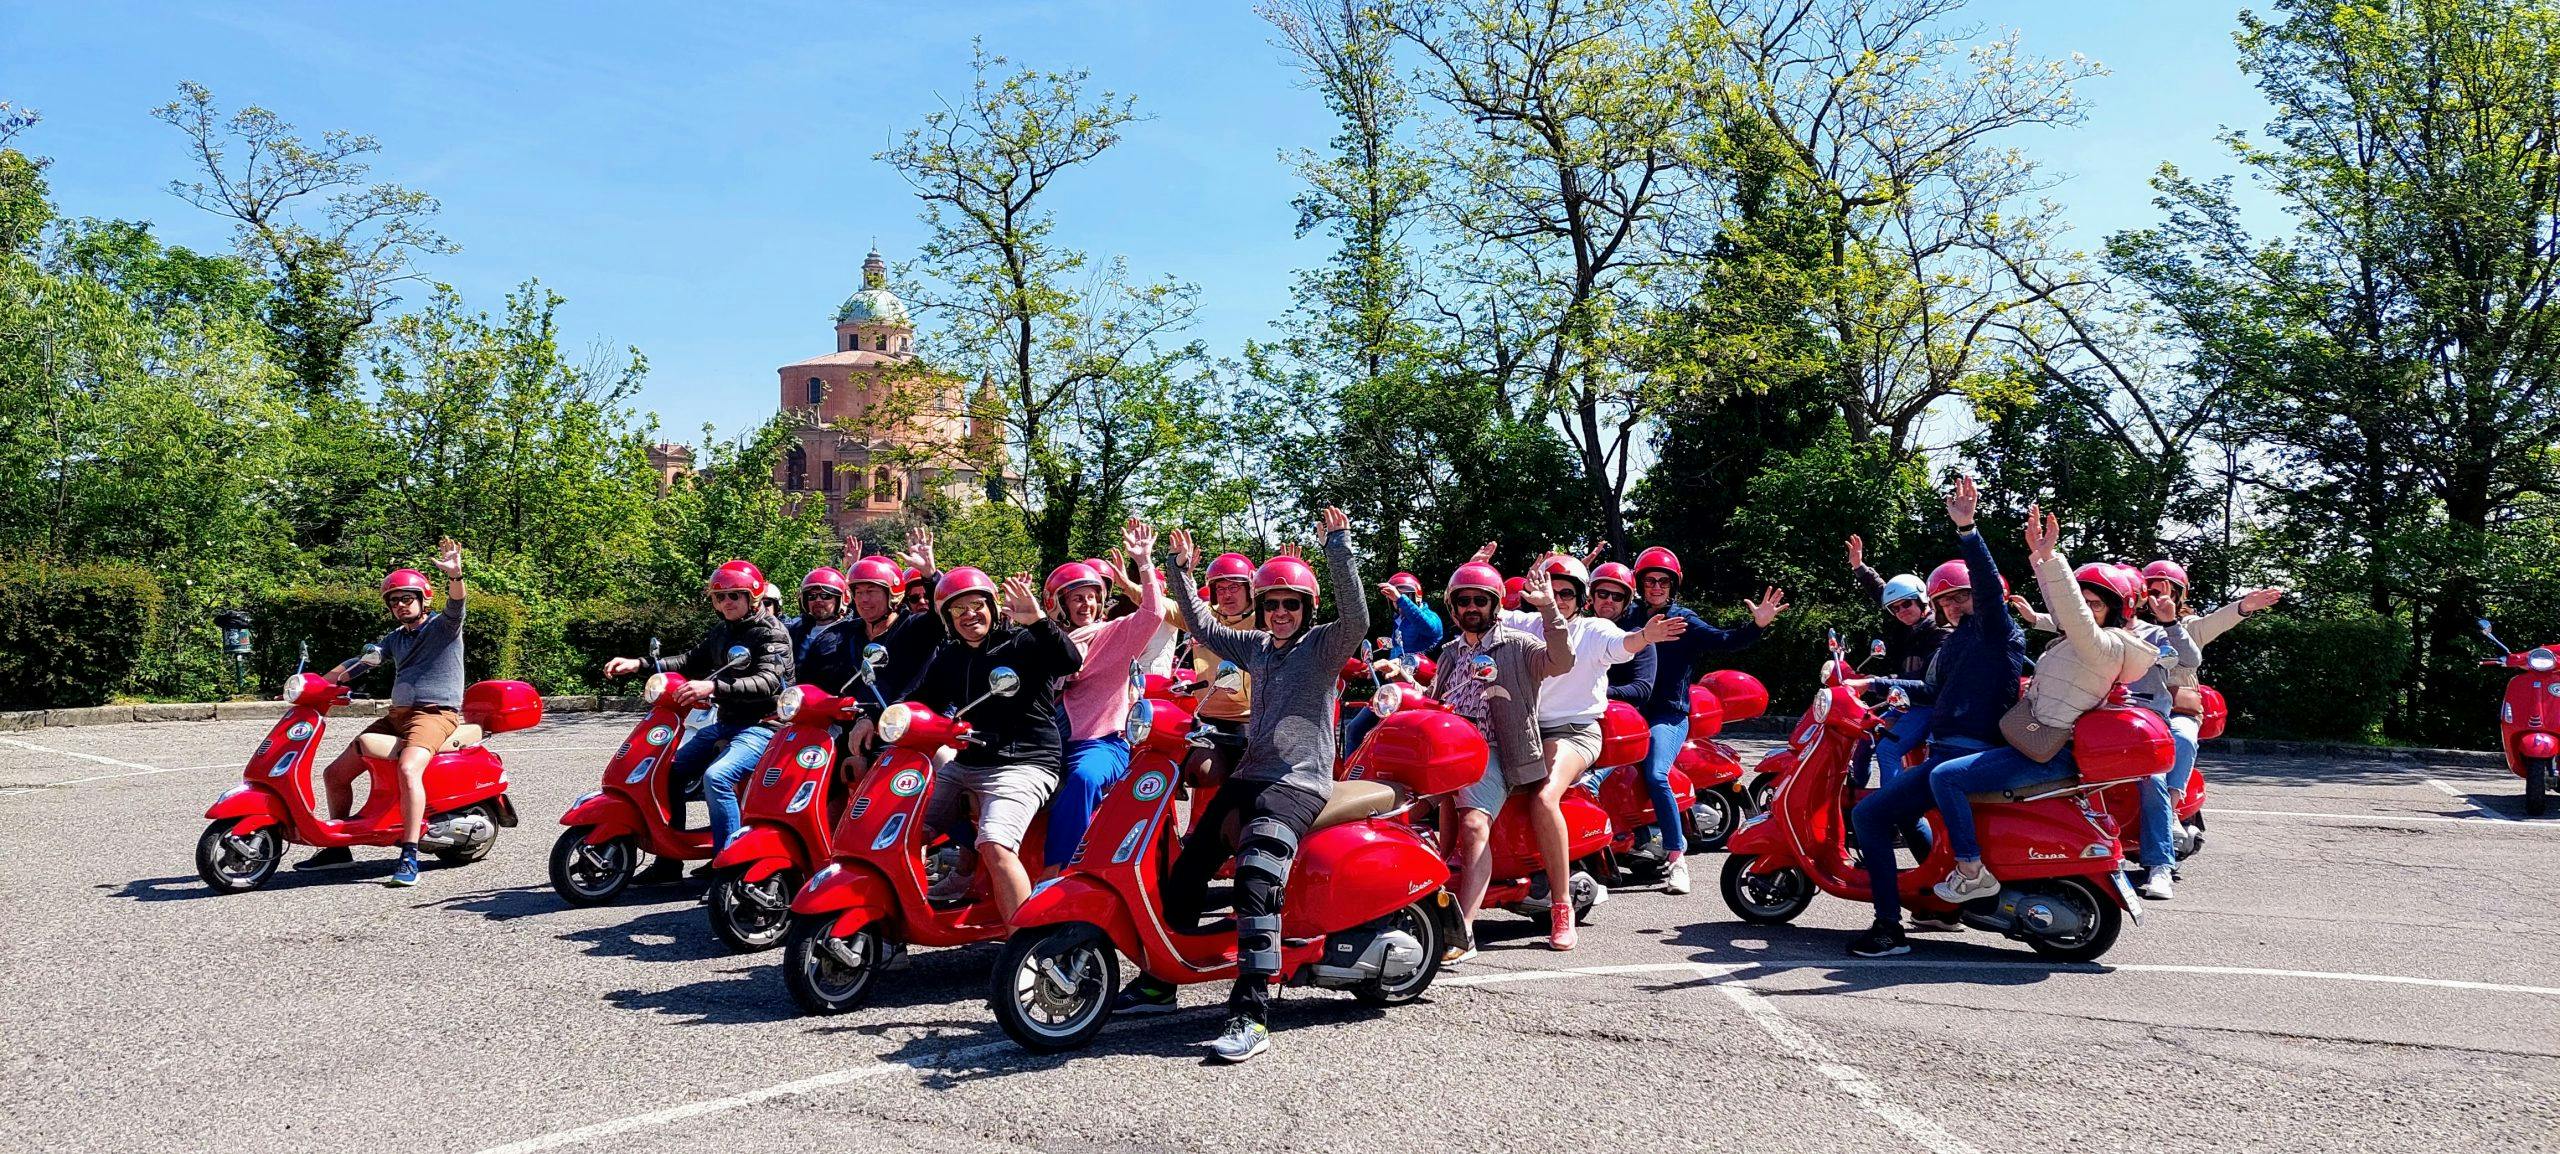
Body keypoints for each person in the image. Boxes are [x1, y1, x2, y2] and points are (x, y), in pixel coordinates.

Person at [1117, 510, 1367, 1064]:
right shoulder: (1256, 647)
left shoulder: (1325, 646)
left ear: (1307, 609)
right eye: (1273, 603)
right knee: (1186, 870)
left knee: (1255, 878)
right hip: (1251, 775)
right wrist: (1181, 570)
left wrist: (1338, 547)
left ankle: (1251, 1014)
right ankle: (1159, 984)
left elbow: (1357, 617)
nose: (1280, 613)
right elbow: (1203, 627)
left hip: (1299, 783)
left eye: (1291, 604)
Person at [1472, 546, 1689, 948]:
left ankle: (1561, 905)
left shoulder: (1595, 630)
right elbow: (1479, 607)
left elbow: (1624, 643)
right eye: (1551, 591)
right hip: (1523, 730)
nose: (1558, 600)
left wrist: (1646, 637)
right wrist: (1477, 569)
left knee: (1544, 796)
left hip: (1574, 732)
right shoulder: (1523, 622)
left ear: (1581, 599)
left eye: (1567, 594)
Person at [1847, 476, 2029, 952]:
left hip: (1973, 752)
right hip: (1942, 752)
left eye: (1960, 597)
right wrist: (1871, 683)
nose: (1953, 605)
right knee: (1870, 816)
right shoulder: (1953, 645)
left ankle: (1961, 879)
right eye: (1946, 599)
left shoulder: (1996, 633)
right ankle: (1901, 920)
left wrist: (1968, 530)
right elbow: (1927, 691)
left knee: (1886, 804)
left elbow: (1989, 591)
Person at [600, 559, 794, 882]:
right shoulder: (724, 631)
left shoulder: (771, 633)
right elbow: (690, 660)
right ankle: (669, 860)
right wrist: (639, 664)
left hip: (764, 726)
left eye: (734, 595)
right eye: (720, 597)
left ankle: (731, 867)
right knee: (670, 771)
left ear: (753, 596)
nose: (726, 602)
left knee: (717, 778)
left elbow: (769, 682)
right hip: (729, 722)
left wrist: (714, 686)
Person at [2012, 565, 2201, 898]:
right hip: (2094, 718)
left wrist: (2170, 622)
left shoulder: (2150, 635)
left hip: (2139, 720)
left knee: (2151, 777)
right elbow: (2060, 613)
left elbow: (2189, 659)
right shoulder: (2087, 635)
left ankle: (2160, 866)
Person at [1605, 546, 1783, 896]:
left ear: (1673, 586)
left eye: (1664, 581)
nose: (1656, 586)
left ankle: (1676, 859)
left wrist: (1757, 625)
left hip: (1666, 714)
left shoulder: (1684, 621)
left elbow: (1724, 640)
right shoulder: (1627, 617)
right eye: (1650, 580)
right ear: (1639, 584)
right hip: (1625, 712)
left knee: (1656, 774)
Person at [913, 567, 1084, 920]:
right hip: (968, 762)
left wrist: (1037, 620)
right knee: (903, 829)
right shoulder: (950, 657)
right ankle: (895, 929)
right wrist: (875, 718)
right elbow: (923, 700)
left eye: (976, 605)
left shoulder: (1022, 643)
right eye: (958, 610)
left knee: (995, 844)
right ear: (947, 617)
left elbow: (1069, 660)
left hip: (1026, 762)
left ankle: (1025, 945)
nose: (969, 615)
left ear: (992, 606)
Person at [300, 537, 470, 887]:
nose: (401, 605)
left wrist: (455, 575)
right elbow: (360, 664)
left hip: (435, 715)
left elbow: (457, 606)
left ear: (424, 600)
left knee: (408, 769)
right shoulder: (397, 638)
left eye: (407, 598)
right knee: (335, 774)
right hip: (398, 716)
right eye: (394, 601)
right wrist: (310, 686)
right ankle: (339, 848)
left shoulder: (443, 628)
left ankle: (409, 854)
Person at [1431, 561, 1572, 962]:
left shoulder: (1518, 646)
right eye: (1464, 601)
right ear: (1453, 608)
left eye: (1480, 600)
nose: (1471, 607)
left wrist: (1549, 610)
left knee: (1474, 825)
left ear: (1495, 605)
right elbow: (1433, 699)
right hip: (1445, 753)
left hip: (1493, 750)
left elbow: (1561, 661)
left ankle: (1464, 933)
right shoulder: (1449, 654)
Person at [2139, 561, 2284, 890]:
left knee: (2182, 740)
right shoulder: (2129, 624)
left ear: (2179, 594)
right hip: (2138, 709)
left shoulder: (2187, 626)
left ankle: (2171, 813)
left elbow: (2216, 623)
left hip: (2176, 708)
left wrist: (2244, 606)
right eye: (2152, 587)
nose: (2158, 593)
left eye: (2166, 588)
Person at [1044, 519, 1167, 870]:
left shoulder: (1114, 633)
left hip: (1102, 743)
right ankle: (967, 868)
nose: (1085, 605)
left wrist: (1144, 562)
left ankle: (1059, 869)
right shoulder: (1046, 639)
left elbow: (1154, 613)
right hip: (1048, 743)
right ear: (1061, 605)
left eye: (1091, 597)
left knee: (1084, 778)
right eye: (1076, 598)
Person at [1847, 536, 1950, 785]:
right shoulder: (1910, 623)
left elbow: (1924, 684)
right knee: (1865, 735)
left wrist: (1873, 682)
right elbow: (1884, 592)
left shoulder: (1940, 632)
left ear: (1922, 600)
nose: (1902, 611)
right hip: (1904, 700)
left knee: (1888, 750)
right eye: (1896, 608)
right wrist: (1860, 568)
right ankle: (1855, 793)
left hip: (1929, 705)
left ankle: (1891, 810)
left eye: (1906, 604)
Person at [1180, 551, 1260, 790]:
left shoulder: (1267, 619)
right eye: (1221, 588)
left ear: (1250, 588)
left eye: (1234, 587)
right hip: (1208, 719)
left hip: (1248, 720)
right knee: (1196, 771)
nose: (1226, 594)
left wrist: (1297, 575)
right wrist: (1144, 568)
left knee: (1247, 783)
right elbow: (1159, 607)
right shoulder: (1206, 619)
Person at [788, 566, 861, 695]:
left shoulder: (852, 631)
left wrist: (854, 566)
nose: (818, 600)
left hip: (831, 702)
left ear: (841, 599)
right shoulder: (795, 629)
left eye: (826, 595)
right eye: (811, 596)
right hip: (793, 701)